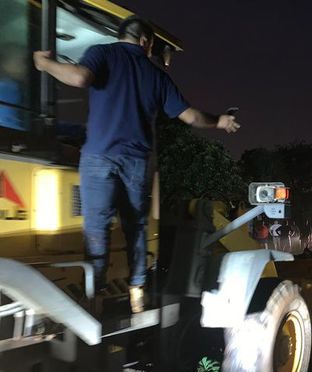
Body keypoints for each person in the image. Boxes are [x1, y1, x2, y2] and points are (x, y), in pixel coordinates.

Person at [33, 16, 240, 313]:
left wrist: (44, 64)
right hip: (137, 162)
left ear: (125, 36)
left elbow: (79, 78)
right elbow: (191, 117)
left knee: (97, 225)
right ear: (147, 41)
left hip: (99, 157)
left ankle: (95, 292)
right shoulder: (156, 76)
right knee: (136, 226)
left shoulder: (102, 53)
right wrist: (220, 120)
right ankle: (137, 288)